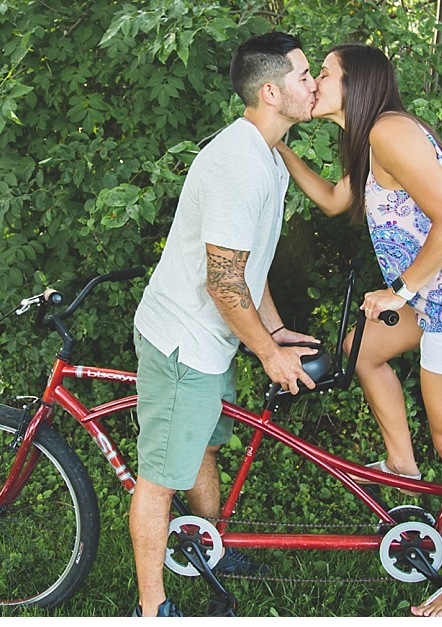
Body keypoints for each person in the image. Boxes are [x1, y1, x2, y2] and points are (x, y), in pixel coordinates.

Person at [276, 44, 442, 617]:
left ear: (355, 84)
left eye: (325, 75)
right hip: (438, 293)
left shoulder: (389, 132)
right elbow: (338, 201)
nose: (315, 84)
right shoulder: (364, 139)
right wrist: (280, 149)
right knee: (360, 351)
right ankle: (402, 468)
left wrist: (401, 291)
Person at [130, 31, 322, 617]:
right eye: (303, 76)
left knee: (204, 447)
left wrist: (275, 327)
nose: (313, 85)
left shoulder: (268, 156)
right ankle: (153, 607)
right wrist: (268, 353)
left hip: (216, 338)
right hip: (183, 342)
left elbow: (246, 263)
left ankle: (208, 550)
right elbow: (222, 282)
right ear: (271, 91)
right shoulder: (237, 164)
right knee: (161, 477)